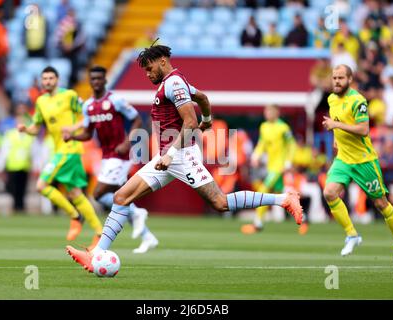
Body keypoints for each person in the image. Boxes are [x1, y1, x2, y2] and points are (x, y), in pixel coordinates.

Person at [66, 44, 303, 272]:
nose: (147, 74)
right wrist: (208, 119)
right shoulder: (177, 82)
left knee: (220, 202)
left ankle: (284, 199)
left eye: (149, 68)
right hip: (168, 156)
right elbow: (202, 97)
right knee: (121, 197)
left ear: (162, 61)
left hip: (179, 155)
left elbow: (190, 122)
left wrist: (171, 153)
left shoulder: (174, 83)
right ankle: (96, 253)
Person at [62, 65, 159, 254]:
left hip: (120, 155)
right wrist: (72, 136)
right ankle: (148, 237)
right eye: (93, 79)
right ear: (90, 82)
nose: (96, 82)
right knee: (121, 198)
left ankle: (137, 213)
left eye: (99, 78)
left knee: (98, 194)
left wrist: (127, 142)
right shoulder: (88, 106)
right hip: (106, 157)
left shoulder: (115, 100)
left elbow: (137, 119)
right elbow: (88, 134)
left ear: (105, 80)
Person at [322, 64, 393, 264]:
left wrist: (336, 125)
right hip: (343, 158)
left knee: (381, 203)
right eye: (334, 78)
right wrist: (336, 137)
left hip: (364, 161)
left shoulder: (358, 100)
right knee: (329, 193)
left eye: (341, 78)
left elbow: (363, 129)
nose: (336, 81)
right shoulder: (331, 99)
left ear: (350, 80)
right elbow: (337, 120)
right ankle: (352, 235)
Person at [18, 66, 103, 248]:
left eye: (50, 78)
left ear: (57, 79)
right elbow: (36, 127)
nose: (47, 81)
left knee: (41, 185)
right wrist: (26, 129)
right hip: (60, 150)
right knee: (76, 194)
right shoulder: (41, 101)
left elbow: (90, 112)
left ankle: (74, 215)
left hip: (70, 148)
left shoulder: (69, 95)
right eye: (45, 79)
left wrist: (74, 128)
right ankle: (99, 232)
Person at [241, 105, 307, 234]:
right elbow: (262, 144)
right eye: (266, 111)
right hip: (270, 166)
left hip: (279, 167)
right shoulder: (264, 126)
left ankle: (257, 223)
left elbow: (292, 145)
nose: (268, 114)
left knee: (263, 191)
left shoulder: (283, 128)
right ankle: (304, 220)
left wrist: (288, 162)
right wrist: (256, 155)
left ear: (277, 113)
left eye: (271, 111)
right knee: (283, 194)